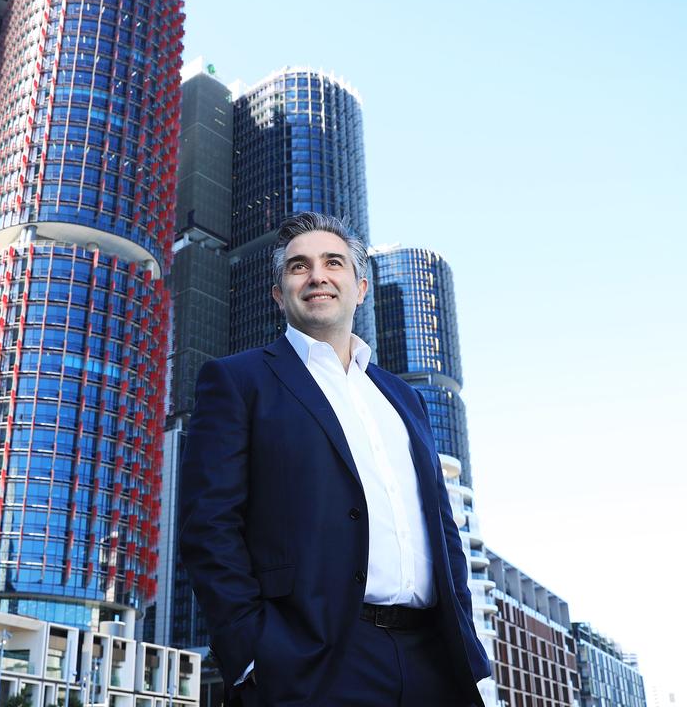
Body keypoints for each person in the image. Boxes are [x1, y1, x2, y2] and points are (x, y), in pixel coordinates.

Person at [178, 212, 492, 706]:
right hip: (313, 661)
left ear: (360, 287)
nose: (317, 275)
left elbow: (441, 526)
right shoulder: (238, 381)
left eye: (333, 263)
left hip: (434, 659)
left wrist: (465, 641)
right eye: (298, 267)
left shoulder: (403, 398)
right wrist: (252, 653)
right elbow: (208, 526)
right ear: (279, 294)